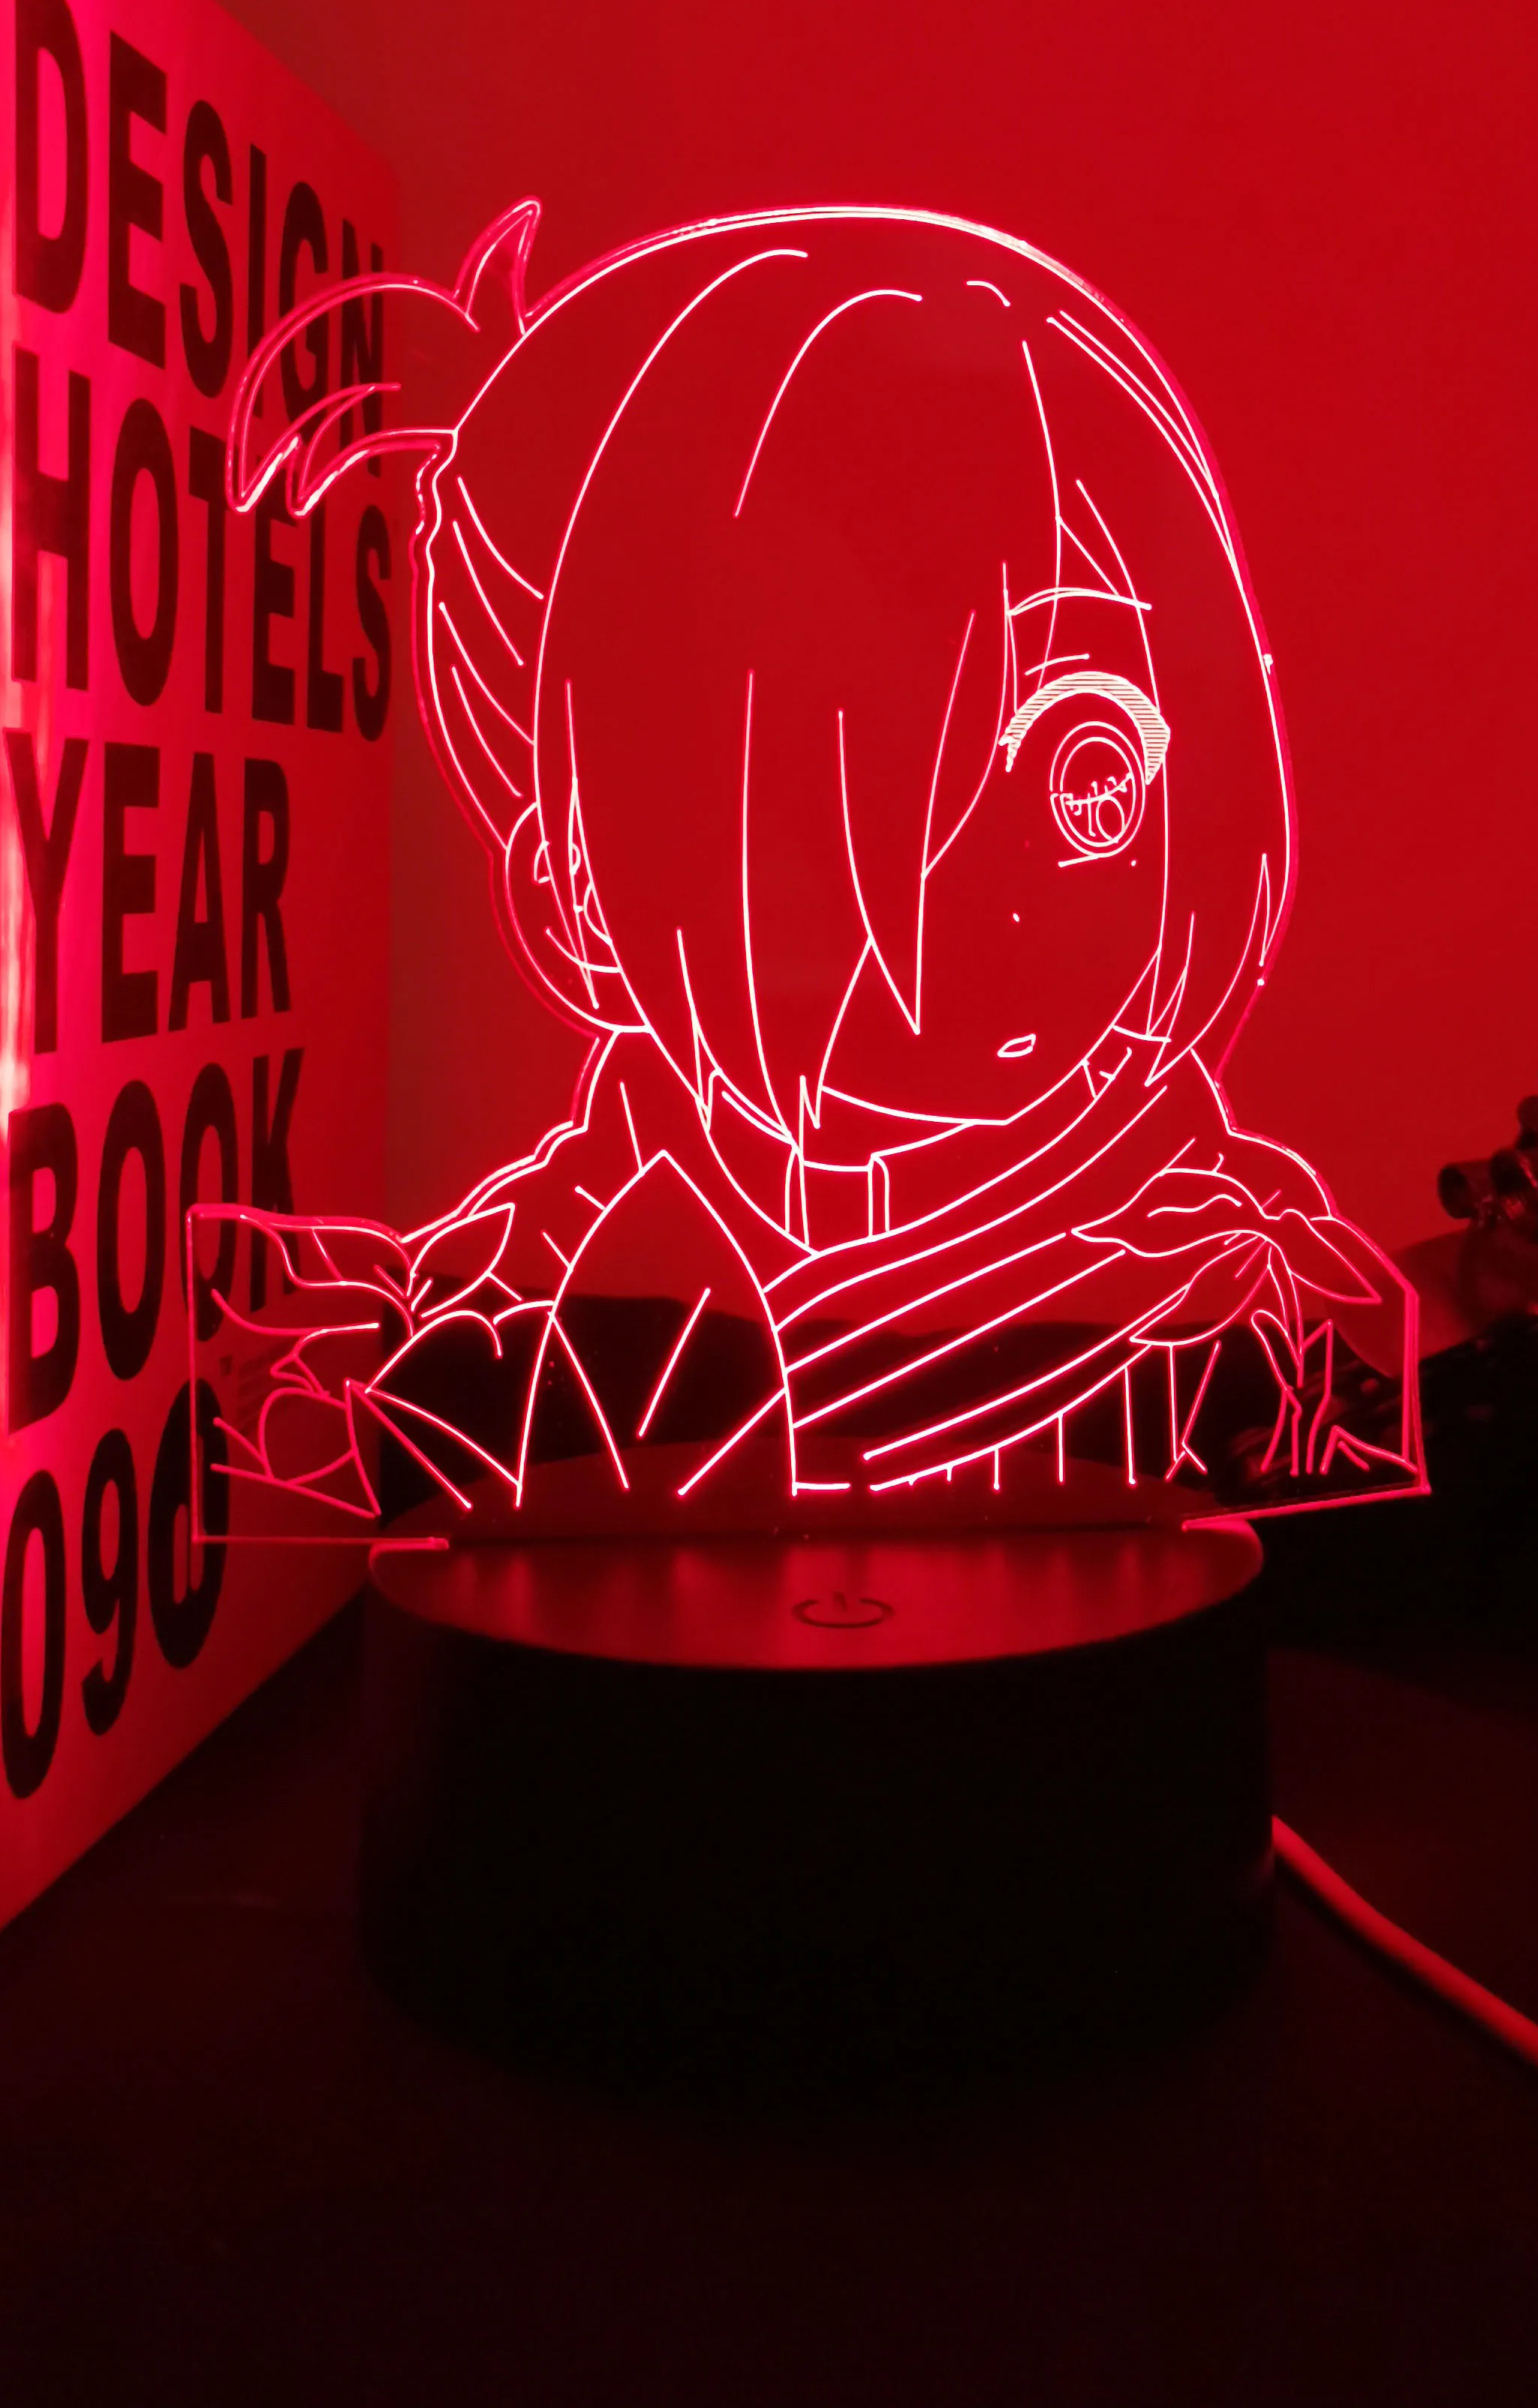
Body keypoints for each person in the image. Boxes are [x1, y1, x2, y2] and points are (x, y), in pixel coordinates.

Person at [205, 202, 1421, 1534]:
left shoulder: (1219, 1286)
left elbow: (1327, 1513)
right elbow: (363, 1444)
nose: (1017, 893)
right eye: (866, 808)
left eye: (1089, 761)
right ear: (574, 887)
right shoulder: (563, 1271)